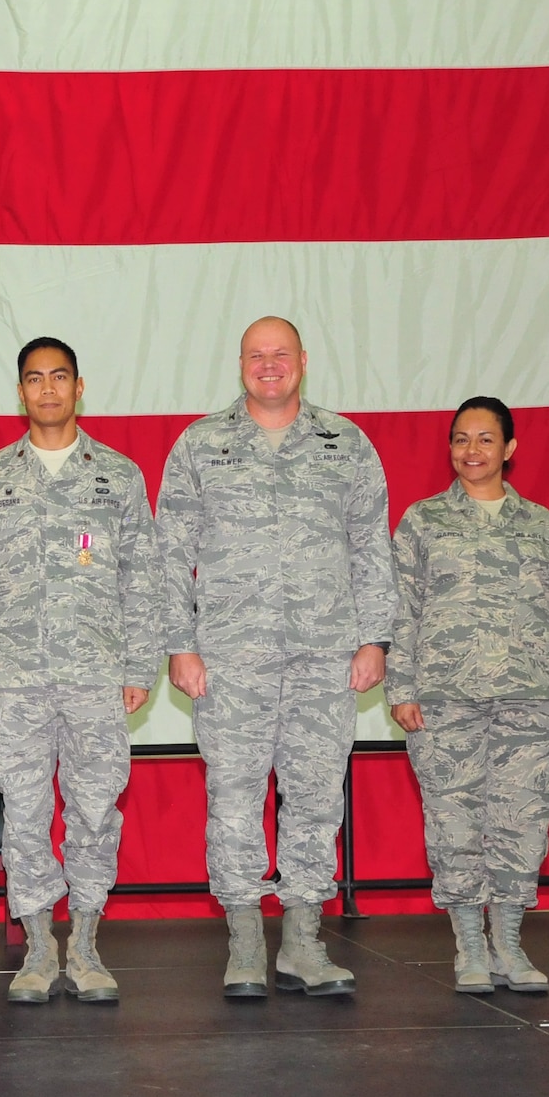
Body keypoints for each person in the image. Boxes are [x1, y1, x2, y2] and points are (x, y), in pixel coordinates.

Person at [158, 315, 397, 999]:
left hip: (326, 657)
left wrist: (374, 637)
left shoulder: (345, 444)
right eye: (257, 356)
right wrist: (180, 644)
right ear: (241, 365)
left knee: (316, 800)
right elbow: (172, 553)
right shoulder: (202, 445)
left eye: (281, 355)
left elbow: (369, 545)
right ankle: (242, 943)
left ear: (303, 362)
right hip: (230, 660)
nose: (269, 366)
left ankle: (301, 942)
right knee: (233, 799)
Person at [0, 337, 162, 1004]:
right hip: (15, 680)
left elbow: (144, 580)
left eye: (59, 377)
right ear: (19, 392)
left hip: (96, 677)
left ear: (80, 387)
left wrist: (139, 665)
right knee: (23, 813)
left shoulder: (119, 477)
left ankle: (85, 943)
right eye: (33, 379)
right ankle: (39, 947)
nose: (47, 389)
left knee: (95, 810)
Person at [387, 396, 549, 995]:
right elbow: (401, 611)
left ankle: (508, 941)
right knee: (453, 820)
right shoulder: (422, 521)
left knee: (521, 820)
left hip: (529, 698)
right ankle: (468, 947)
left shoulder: (542, 526)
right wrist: (402, 685)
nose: (470, 451)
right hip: (444, 698)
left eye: (484, 439)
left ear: (509, 449)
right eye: (459, 439)